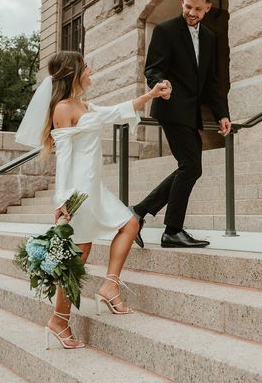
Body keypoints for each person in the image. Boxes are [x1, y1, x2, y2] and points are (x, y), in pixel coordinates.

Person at [15, 50, 170, 349]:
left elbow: (117, 111)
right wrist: (61, 201)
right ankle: (59, 321)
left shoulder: (84, 104)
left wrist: (150, 94)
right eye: (87, 67)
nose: (91, 70)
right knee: (78, 257)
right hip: (78, 193)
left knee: (130, 224)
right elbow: (64, 157)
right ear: (74, 73)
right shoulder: (62, 109)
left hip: (95, 188)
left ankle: (110, 286)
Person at [130, 0, 231, 249]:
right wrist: (160, 83)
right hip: (171, 106)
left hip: (192, 113)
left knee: (189, 168)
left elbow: (210, 81)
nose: (191, 12)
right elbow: (153, 69)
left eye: (197, 8)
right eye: (187, 6)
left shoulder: (209, 37)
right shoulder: (165, 31)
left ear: (208, 7)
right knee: (191, 166)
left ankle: (138, 212)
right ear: (182, 3)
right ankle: (171, 230)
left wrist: (222, 113)